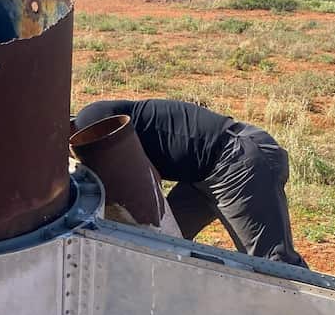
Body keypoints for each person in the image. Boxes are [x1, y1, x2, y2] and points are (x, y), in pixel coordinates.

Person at [72, 98, 307, 268]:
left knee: (272, 266)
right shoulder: (87, 122)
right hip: (199, 174)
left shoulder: (92, 122)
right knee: (163, 246)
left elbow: (147, 181)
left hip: (235, 160)